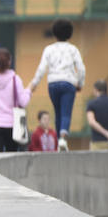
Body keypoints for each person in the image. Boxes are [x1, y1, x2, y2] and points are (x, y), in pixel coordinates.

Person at [27, 19, 86, 151]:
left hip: (52, 83)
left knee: (58, 112)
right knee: (66, 113)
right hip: (68, 82)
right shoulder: (73, 49)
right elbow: (81, 68)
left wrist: (34, 83)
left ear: (55, 33)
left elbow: (42, 68)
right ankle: (63, 139)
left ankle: (60, 142)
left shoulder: (49, 49)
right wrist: (80, 83)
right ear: (70, 34)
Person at [0, 48, 31, 153]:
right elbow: (23, 102)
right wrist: (28, 91)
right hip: (12, 126)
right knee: (11, 161)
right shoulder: (15, 79)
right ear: (9, 61)